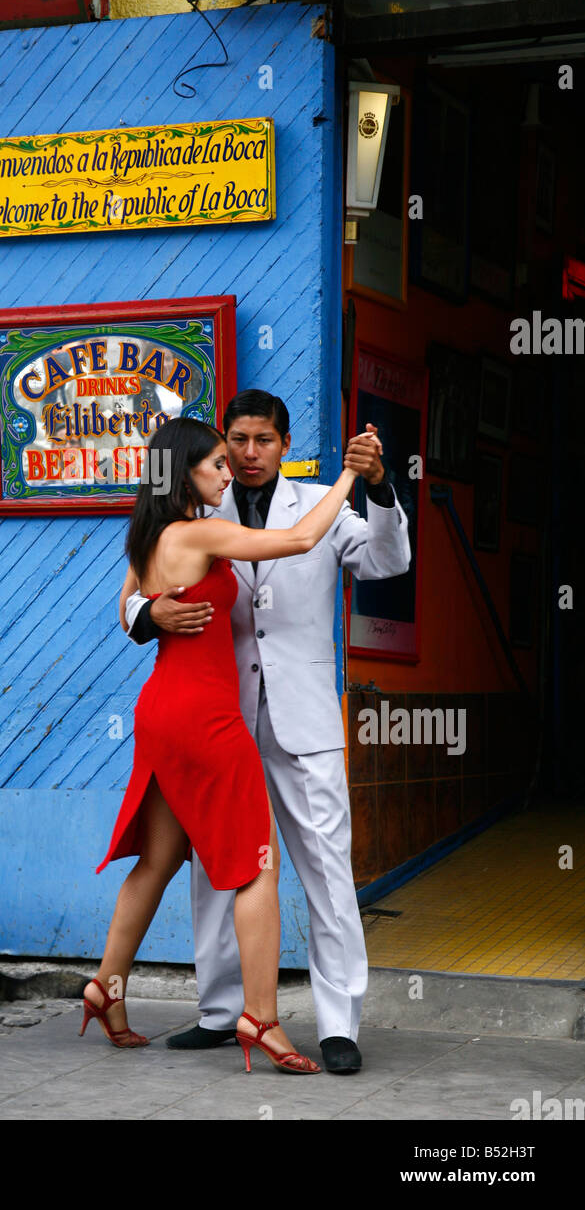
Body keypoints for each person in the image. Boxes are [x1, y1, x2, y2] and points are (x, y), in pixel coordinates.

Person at [123, 391, 411, 1074]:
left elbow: (384, 562)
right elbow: (133, 594)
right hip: (219, 718)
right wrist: (149, 616)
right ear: (222, 444)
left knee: (325, 871)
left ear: (283, 443)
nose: (247, 455)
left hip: (303, 718)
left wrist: (377, 484)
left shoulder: (318, 503)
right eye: (237, 441)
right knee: (216, 868)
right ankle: (222, 1013)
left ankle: (338, 1023)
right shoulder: (198, 502)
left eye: (262, 441)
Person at [83, 417, 360, 1074]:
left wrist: (151, 611)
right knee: (253, 867)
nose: (227, 470)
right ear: (184, 474)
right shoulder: (198, 531)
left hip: (160, 711)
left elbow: (129, 605)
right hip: (207, 718)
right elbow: (296, 537)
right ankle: (260, 1020)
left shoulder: (147, 536)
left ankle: (106, 988)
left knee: (157, 858)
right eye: (214, 462)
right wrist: (347, 474)